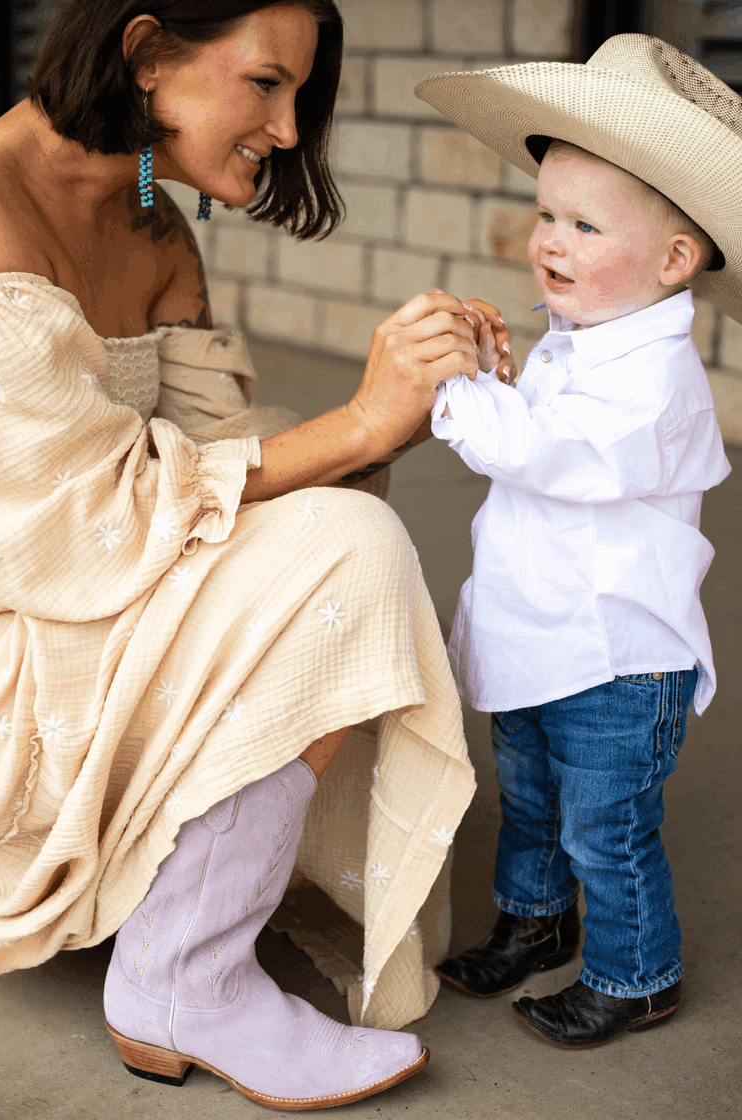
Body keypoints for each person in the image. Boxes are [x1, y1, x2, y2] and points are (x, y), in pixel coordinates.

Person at [0, 0, 515, 1108]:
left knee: (339, 535)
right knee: (346, 548)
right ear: (149, 57)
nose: (290, 130)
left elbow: (223, 468)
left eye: (298, 95)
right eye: (266, 84)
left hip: (89, 598)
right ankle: (182, 978)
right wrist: (351, 424)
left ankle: (186, 938)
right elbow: (75, 528)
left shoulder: (155, 221)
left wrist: (406, 397)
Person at [413, 34, 739, 1049]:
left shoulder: (655, 378)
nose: (546, 240)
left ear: (672, 261)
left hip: (611, 657)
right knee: (529, 796)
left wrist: (458, 391)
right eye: (545, 213)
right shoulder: (584, 335)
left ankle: (634, 970)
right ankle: (531, 918)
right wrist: (501, 376)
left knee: (605, 826)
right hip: (537, 630)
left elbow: (559, 456)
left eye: (582, 224)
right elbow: (544, 434)